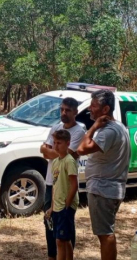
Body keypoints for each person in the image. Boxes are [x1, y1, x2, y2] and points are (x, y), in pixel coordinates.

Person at [77, 89, 130, 260]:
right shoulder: (119, 127)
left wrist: (93, 127)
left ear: (105, 109)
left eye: (93, 106)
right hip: (111, 188)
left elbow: (81, 149)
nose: (90, 109)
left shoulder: (108, 131)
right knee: (107, 233)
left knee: (105, 235)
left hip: (103, 189)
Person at [40, 97, 85, 260]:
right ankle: (52, 255)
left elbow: (64, 154)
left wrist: (51, 151)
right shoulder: (56, 127)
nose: (64, 113)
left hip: (65, 187)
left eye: (68, 110)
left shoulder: (79, 131)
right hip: (52, 182)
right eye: (62, 109)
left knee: (65, 229)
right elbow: (42, 149)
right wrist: (49, 150)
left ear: (75, 112)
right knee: (49, 221)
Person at [44, 130, 79, 260]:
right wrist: (52, 207)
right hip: (57, 205)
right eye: (54, 143)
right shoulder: (55, 162)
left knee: (60, 240)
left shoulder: (69, 161)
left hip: (66, 206)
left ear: (68, 143)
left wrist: (67, 205)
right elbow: (55, 185)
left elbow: (74, 184)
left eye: (59, 143)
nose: (56, 146)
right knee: (65, 239)